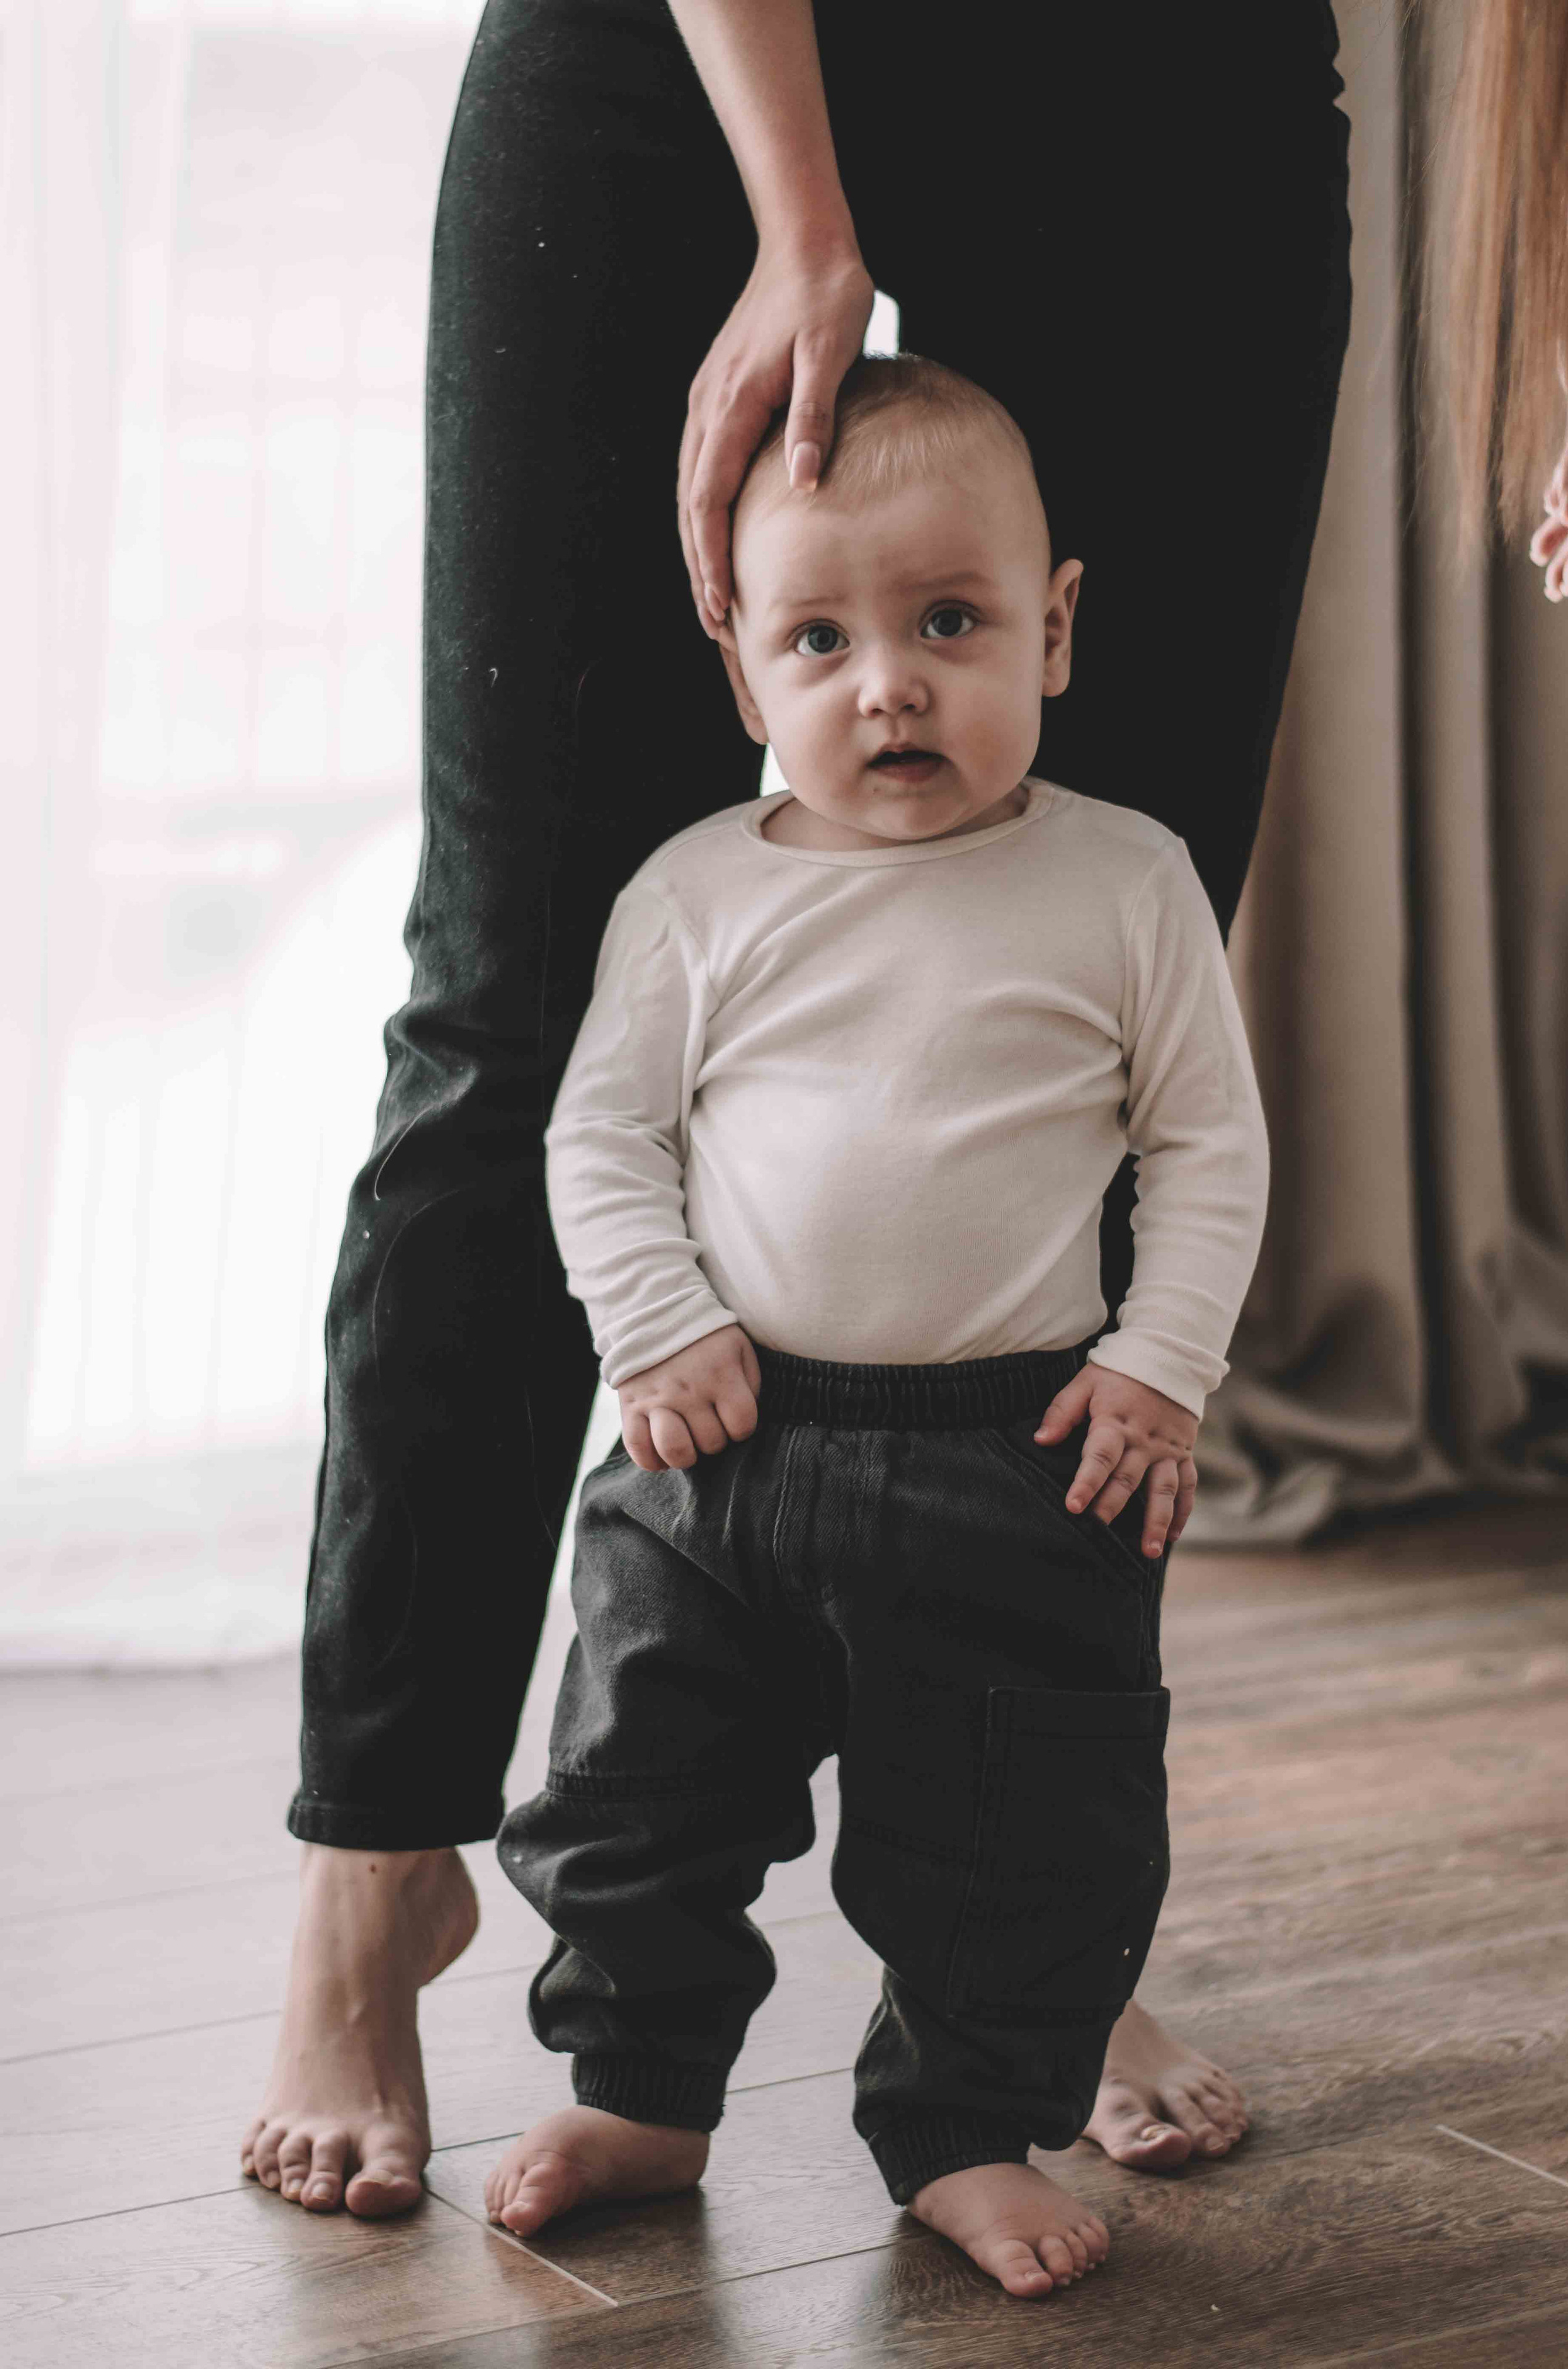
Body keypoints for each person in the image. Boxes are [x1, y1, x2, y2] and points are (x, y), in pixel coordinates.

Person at [244, 0, 1351, 2217]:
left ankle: (1037, 1950)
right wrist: (802, 218)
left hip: (1170, 79)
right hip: (692, 51)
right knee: (514, 996)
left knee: (1108, 999)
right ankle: (381, 1862)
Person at [479, 353, 1271, 2301]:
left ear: (1055, 628)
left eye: (950, 624)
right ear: (745, 673)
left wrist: (1161, 1367)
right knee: (632, 1796)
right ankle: (647, 2089)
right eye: (819, 639)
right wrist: (654, 1326)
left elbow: (1210, 1149)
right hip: (717, 1447)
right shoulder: (694, 897)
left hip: (1019, 1458)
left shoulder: (1122, 878)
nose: (888, 683)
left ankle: (962, 2133)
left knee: (1024, 1835)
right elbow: (603, 1132)